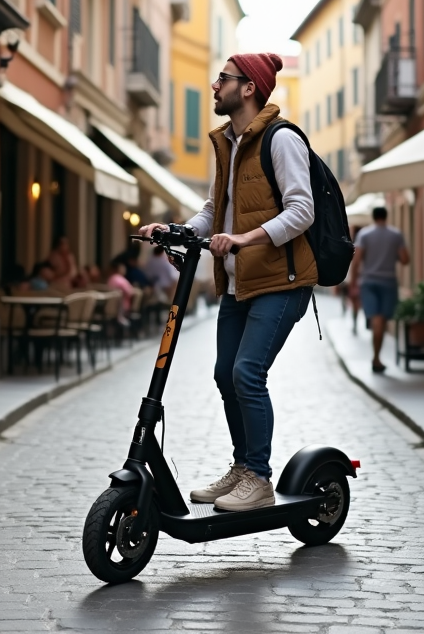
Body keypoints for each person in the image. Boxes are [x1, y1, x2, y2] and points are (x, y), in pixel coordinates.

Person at [140, 52, 315, 512]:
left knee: (246, 373)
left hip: (283, 282)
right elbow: (213, 211)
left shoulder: (281, 140)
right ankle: (243, 467)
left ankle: (258, 477)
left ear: (249, 88)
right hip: (240, 284)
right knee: (224, 375)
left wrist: (245, 239)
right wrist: (173, 229)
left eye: (223, 79)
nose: (215, 86)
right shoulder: (230, 144)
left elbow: (302, 210)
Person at [348, 206, 410, 373]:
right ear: (386, 216)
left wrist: (353, 284)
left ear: (374, 217)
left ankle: (376, 357)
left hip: (368, 282)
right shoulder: (395, 235)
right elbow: (405, 259)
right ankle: (376, 358)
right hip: (388, 281)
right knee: (381, 320)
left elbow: (357, 260)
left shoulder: (365, 234)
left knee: (376, 320)